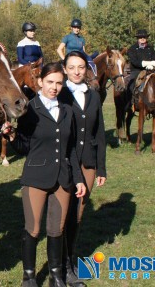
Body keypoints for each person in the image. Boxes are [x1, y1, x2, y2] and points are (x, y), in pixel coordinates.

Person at [2, 62, 86, 287]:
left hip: (63, 178)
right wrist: (11, 137)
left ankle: (56, 276)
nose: (55, 87)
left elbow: (71, 150)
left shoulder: (68, 111)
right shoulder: (30, 109)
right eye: (50, 82)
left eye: (59, 83)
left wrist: (78, 179)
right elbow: (23, 146)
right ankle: (29, 277)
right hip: (36, 177)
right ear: (40, 82)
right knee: (33, 228)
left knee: (56, 229)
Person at [59, 51, 107, 287]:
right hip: (65, 162)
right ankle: (61, 264)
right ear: (65, 69)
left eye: (81, 67)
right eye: (72, 67)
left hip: (87, 161)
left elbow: (99, 133)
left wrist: (101, 168)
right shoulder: (59, 93)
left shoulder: (94, 96)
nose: (77, 71)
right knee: (62, 214)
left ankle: (69, 261)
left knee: (77, 214)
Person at [127, 29, 155, 107]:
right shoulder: (132, 49)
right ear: (137, 39)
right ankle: (130, 102)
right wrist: (144, 64)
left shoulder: (151, 48)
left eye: (144, 37)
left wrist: (152, 63)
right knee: (131, 84)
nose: (142, 39)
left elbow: (154, 57)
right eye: (140, 37)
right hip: (137, 70)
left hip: (151, 70)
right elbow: (134, 61)